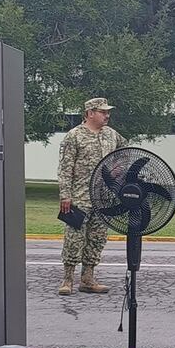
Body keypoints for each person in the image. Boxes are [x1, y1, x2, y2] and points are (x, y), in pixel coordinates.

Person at [57, 97, 127, 296]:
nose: (107, 115)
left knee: (97, 239)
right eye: (103, 112)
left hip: (103, 198)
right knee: (74, 238)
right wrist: (65, 196)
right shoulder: (74, 136)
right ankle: (67, 279)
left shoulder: (111, 135)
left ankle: (88, 279)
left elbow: (126, 151)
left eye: (107, 112)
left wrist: (118, 169)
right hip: (79, 197)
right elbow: (65, 168)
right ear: (89, 113)